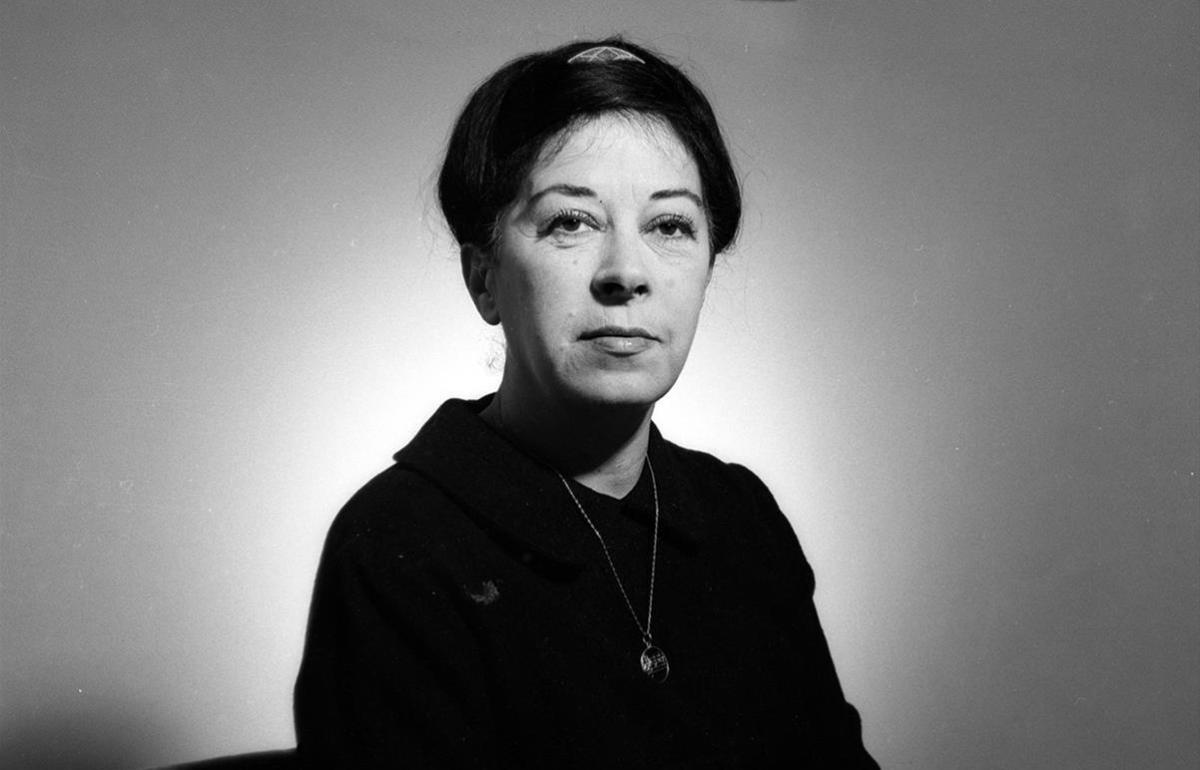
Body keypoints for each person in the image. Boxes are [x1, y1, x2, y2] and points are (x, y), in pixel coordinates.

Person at [293, 38, 878, 769]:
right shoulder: (396, 545)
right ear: (484, 278)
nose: (626, 273)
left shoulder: (742, 516)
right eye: (571, 221)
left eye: (670, 226)